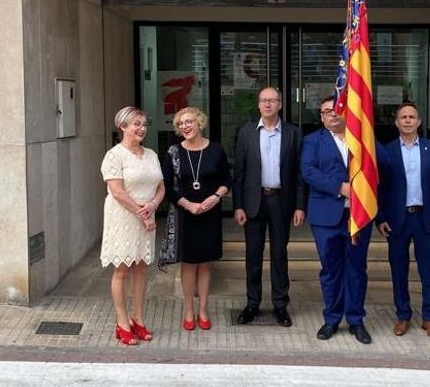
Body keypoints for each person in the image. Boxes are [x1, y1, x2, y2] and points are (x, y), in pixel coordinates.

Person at [300, 97, 373, 344]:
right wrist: (339, 187)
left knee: (356, 269)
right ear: (321, 117)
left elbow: (379, 165)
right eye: (326, 112)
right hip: (326, 216)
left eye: (336, 110)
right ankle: (332, 319)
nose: (332, 114)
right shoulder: (312, 141)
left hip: (358, 216)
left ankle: (355, 320)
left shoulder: (362, 139)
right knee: (331, 269)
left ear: (346, 111)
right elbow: (308, 171)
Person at [233, 87, 306, 327]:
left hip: (280, 201)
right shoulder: (246, 133)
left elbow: (298, 173)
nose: (268, 104)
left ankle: (280, 305)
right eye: (264, 100)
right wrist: (238, 206)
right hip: (254, 202)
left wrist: (299, 206)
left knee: (279, 255)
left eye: (272, 100)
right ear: (258, 105)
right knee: (253, 255)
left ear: (280, 104)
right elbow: (239, 172)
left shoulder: (293, 133)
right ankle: (252, 304)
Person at [376, 102, 430, 340]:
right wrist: (381, 218)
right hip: (397, 220)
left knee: (429, 270)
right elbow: (381, 188)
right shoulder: (386, 151)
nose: (407, 120)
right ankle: (403, 315)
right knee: (399, 270)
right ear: (396, 122)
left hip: (426, 219)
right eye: (403, 117)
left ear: (418, 122)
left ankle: (429, 318)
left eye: (412, 117)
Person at [160, 107, 231, 332]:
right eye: (180, 124)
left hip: (210, 213)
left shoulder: (216, 149)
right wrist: (187, 204)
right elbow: (167, 186)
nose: (185, 127)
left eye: (189, 121)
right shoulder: (173, 152)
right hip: (185, 214)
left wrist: (216, 197)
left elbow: (226, 180)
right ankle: (189, 310)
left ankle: (204, 310)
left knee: (205, 264)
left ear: (200, 123)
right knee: (189, 264)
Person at [100, 106, 165, 346]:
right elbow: (117, 192)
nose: (141, 128)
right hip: (124, 217)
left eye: (144, 124)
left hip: (146, 215)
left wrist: (153, 206)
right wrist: (143, 212)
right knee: (122, 269)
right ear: (122, 126)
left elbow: (161, 186)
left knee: (141, 268)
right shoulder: (114, 155)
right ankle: (122, 322)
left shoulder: (150, 154)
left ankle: (139, 318)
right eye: (135, 124)